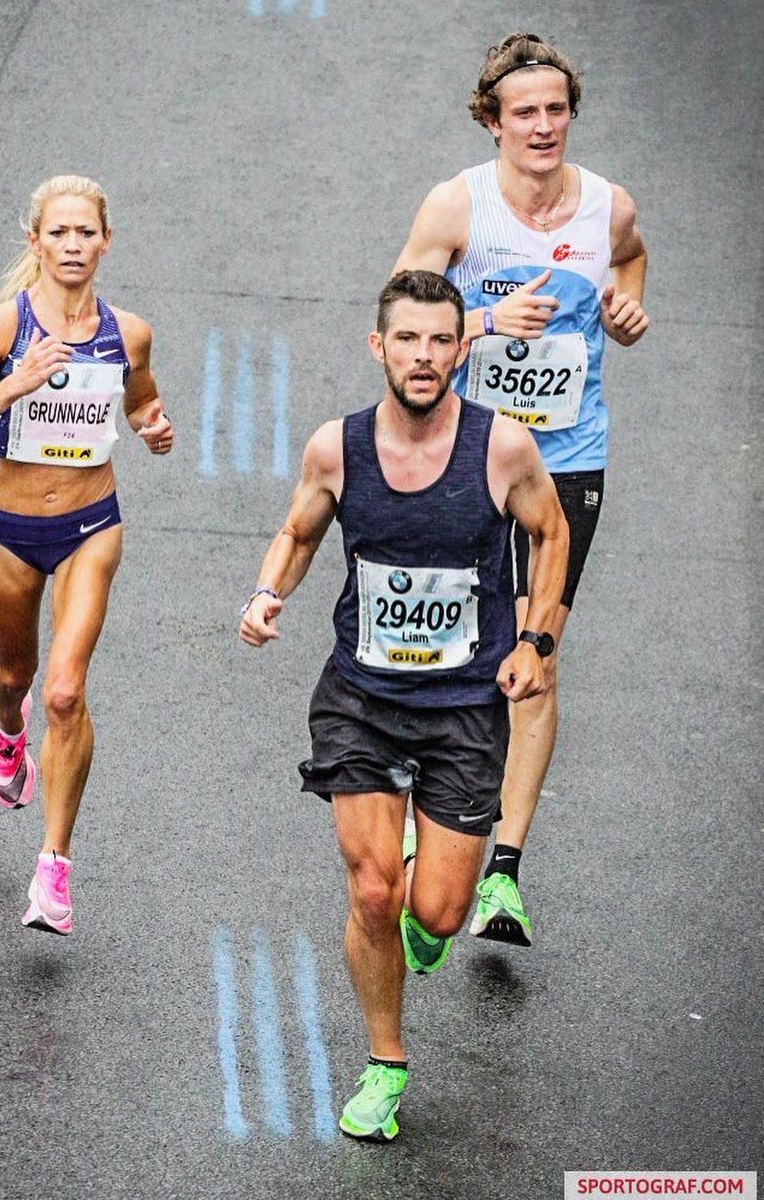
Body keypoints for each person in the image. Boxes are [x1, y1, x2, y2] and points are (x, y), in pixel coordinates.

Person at [239, 270, 568, 1140]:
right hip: (361, 700)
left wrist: (535, 642)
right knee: (374, 889)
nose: (423, 356)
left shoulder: (501, 448)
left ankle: (433, 899)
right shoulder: (336, 448)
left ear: (461, 350)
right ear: (378, 347)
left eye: (440, 341)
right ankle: (385, 1064)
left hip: (464, 708)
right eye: (408, 339)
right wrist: (266, 594)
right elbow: (298, 531)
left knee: (438, 913)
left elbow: (549, 532)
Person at [393, 33, 649, 946]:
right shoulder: (457, 204)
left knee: (533, 659)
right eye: (524, 112)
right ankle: (429, 829)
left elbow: (630, 258)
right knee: (454, 648)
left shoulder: (608, 206)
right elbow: (398, 317)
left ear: (570, 113)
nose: (542, 126)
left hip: (568, 458)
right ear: (492, 121)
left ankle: (501, 871)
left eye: (555, 110)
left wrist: (625, 307)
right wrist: (483, 319)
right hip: (469, 454)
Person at [0, 174, 173, 935]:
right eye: (58, 233)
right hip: (9, 528)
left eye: (85, 233)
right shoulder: (1, 328)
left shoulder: (129, 332)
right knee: (17, 675)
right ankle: (9, 730)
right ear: (35, 242)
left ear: (106, 242)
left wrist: (152, 425)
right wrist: (13, 387)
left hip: (91, 524)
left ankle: (54, 869)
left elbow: (140, 398)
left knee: (65, 692)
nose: (72, 245)